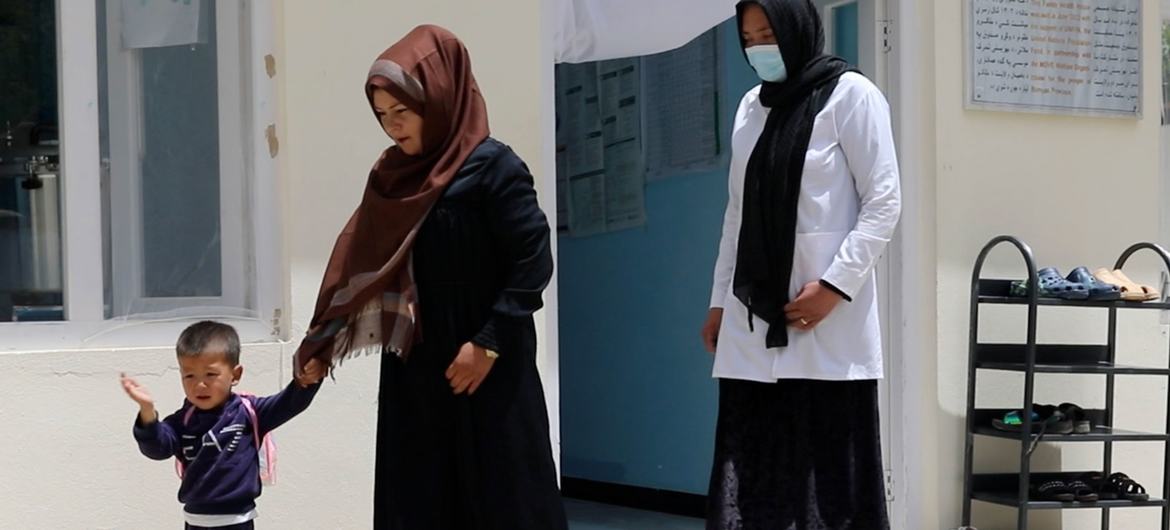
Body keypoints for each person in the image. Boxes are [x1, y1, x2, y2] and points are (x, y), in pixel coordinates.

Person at [292, 25, 568, 530]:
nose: (393, 127)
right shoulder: (391, 177)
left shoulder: (494, 167)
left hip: (488, 364)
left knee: (503, 495)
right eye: (382, 116)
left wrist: (487, 343)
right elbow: (363, 263)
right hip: (417, 366)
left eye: (403, 111)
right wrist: (323, 340)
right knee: (420, 498)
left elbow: (533, 260)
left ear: (440, 96)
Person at [700, 1, 902, 528]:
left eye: (767, 32)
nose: (759, 47)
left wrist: (835, 287)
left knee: (828, 481)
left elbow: (884, 202)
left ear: (797, 26)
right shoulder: (750, 108)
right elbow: (737, 215)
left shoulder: (852, 96)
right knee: (755, 473)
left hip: (826, 325)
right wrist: (720, 301)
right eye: (748, 39)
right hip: (752, 322)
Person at [120, 320, 325, 530]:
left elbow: (290, 402)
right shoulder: (182, 421)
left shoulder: (249, 412)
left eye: (210, 374)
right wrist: (147, 411)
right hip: (195, 522)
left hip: (237, 522)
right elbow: (157, 449)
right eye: (189, 375)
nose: (199, 384)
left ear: (235, 375)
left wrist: (308, 380)